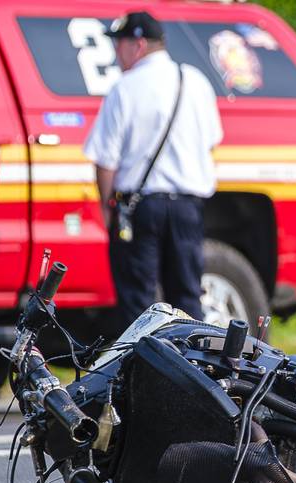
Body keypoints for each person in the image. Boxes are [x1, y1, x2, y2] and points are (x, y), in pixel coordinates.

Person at [84, 11, 223, 331]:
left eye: (119, 44)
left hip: (140, 208)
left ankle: (143, 376)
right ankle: (193, 373)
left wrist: (107, 208)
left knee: (138, 302)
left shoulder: (125, 88)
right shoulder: (195, 81)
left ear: (139, 44)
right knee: (187, 297)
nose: (116, 53)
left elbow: (106, 160)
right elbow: (212, 142)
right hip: (188, 205)